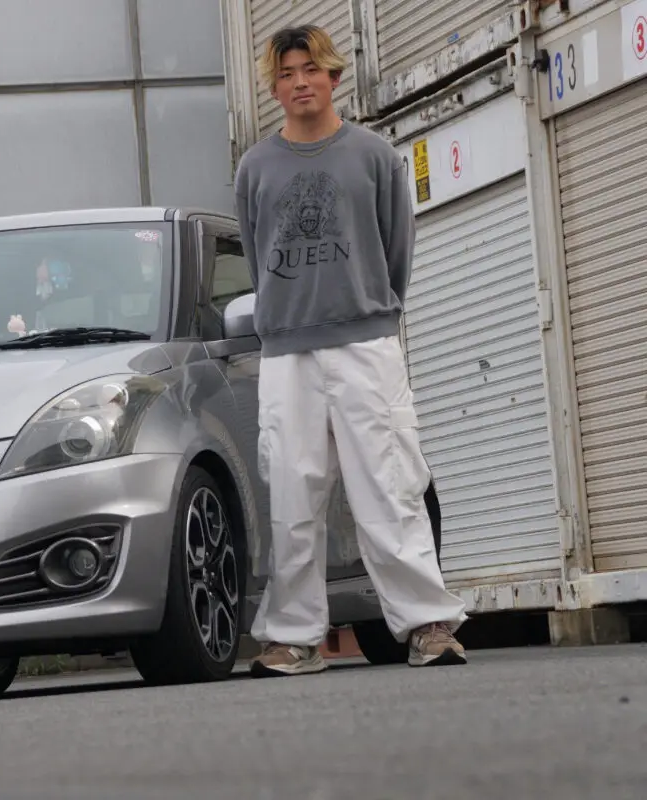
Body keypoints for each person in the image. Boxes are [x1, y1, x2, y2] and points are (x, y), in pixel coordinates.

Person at [233, 24, 469, 677]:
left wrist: (373, 310)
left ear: (333, 76)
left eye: (311, 69)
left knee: (390, 485)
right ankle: (295, 638)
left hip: (365, 342)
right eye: (286, 74)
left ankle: (427, 626)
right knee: (292, 496)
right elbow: (257, 257)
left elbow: (397, 250)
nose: (300, 83)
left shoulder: (374, 156)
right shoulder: (255, 168)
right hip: (287, 353)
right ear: (274, 87)